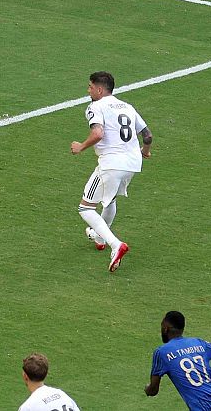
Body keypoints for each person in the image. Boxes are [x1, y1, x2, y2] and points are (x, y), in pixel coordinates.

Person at [72, 70, 151, 272]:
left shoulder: (95, 107)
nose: (88, 90)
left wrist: (81, 146)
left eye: (90, 87)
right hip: (132, 164)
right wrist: (145, 151)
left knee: (86, 208)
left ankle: (116, 245)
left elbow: (98, 133)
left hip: (111, 164)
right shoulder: (127, 106)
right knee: (110, 199)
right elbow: (148, 135)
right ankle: (99, 237)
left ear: (99, 89)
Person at [147, 311, 211, 410]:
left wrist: (147, 389)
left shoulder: (161, 352)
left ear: (166, 328)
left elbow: (153, 390)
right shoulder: (198, 343)